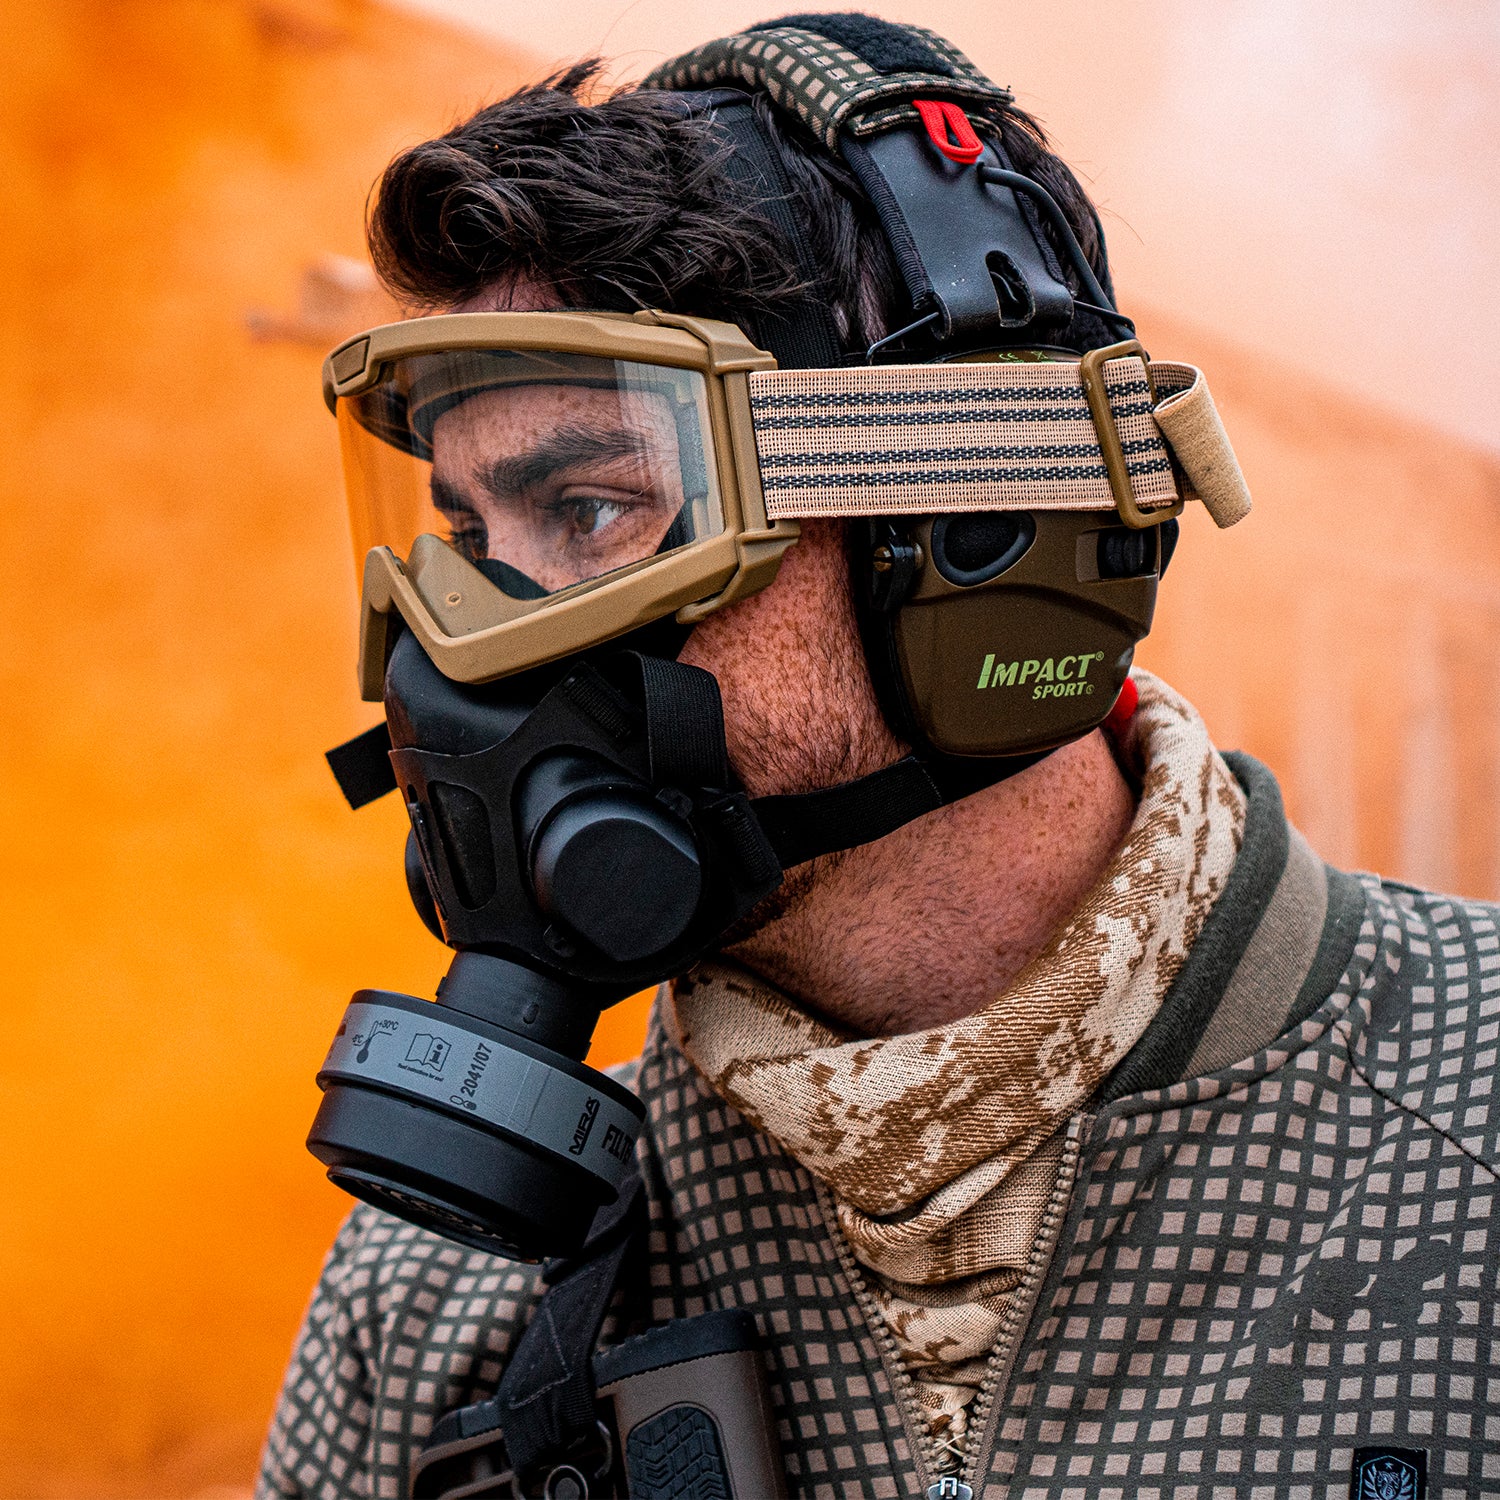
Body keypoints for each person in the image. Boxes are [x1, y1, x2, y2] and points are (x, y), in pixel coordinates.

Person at [259, 16, 1497, 1500]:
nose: (471, 654)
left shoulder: (1470, 1121)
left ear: (975, 543)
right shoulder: (425, 1311)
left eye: (589, 512)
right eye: (469, 539)